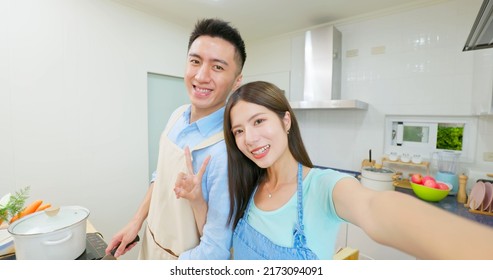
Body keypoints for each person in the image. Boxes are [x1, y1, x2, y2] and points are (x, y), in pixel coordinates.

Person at [175, 81, 493, 260]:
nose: (250, 139)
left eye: (259, 121)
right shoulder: (248, 183)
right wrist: (196, 200)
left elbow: (376, 208)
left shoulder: (323, 187)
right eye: (239, 131)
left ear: (285, 121)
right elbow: (219, 241)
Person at [106, 18, 246, 260]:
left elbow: (216, 250)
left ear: (236, 81)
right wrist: (136, 222)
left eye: (218, 67)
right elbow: (159, 177)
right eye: (195, 61)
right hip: (150, 244)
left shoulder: (228, 152)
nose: (201, 76)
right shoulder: (177, 116)